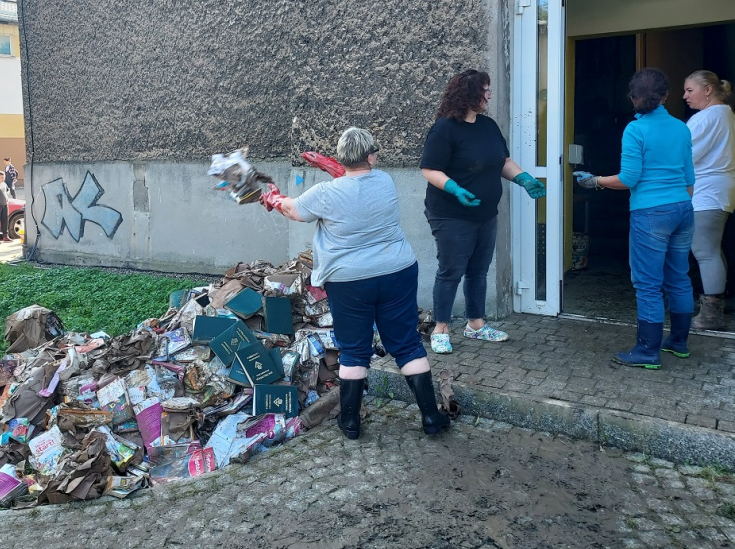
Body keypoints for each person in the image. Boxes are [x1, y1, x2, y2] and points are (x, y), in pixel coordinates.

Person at [260, 127, 449, 439]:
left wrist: (274, 197)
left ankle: (349, 422)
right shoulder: (385, 182)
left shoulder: (325, 195)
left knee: (353, 348)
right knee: (406, 343)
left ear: (340, 158)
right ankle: (431, 417)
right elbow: (357, 179)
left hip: (349, 282)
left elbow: (293, 210)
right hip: (397, 273)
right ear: (371, 156)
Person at [420, 69, 545, 355]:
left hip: (485, 213)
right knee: (451, 270)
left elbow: (503, 161)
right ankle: (440, 328)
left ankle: (476, 325)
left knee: (478, 270)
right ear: (468, 94)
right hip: (451, 214)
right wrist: (454, 189)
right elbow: (430, 169)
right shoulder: (444, 128)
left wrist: (523, 178)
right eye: (485, 90)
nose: (489, 95)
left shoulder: (488, 126)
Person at [575, 68, 695, 367]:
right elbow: (690, 178)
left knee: (648, 283)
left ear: (632, 98)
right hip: (683, 207)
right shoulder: (681, 127)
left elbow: (629, 178)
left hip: (651, 212)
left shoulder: (635, 130)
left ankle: (646, 351)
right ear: (666, 95)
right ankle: (678, 342)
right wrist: (677, 203)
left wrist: (595, 181)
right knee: (679, 277)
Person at [682, 70, 735, 331]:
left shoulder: (708, 117)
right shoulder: (725, 114)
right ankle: (716, 304)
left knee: (705, 251)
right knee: (713, 250)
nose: (685, 96)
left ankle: (712, 314)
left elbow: (685, 155)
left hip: (708, 192)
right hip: (718, 190)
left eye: (690, 90)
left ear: (708, 90)